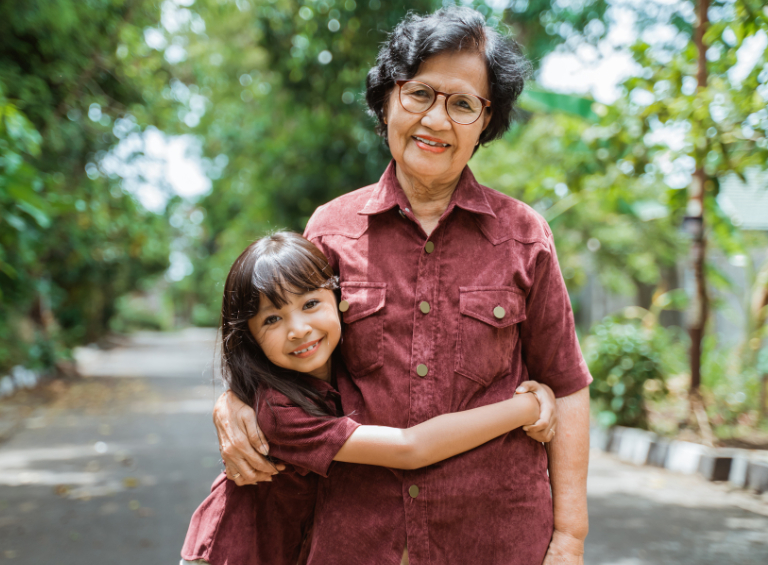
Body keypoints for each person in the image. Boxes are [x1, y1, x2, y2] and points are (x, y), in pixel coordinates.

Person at [214, 7, 592, 565]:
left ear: (486, 123)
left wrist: (570, 537)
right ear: (388, 99)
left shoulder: (524, 236)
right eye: (419, 94)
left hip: (497, 539)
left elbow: (565, 384)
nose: (436, 121)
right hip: (357, 537)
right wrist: (231, 402)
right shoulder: (330, 229)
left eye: (462, 104)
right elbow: (284, 348)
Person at [181, 232, 557, 565]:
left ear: (339, 298)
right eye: (271, 320)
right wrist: (524, 407)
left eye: (310, 304)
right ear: (250, 338)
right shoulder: (279, 411)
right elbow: (410, 448)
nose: (298, 329)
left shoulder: (343, 369)